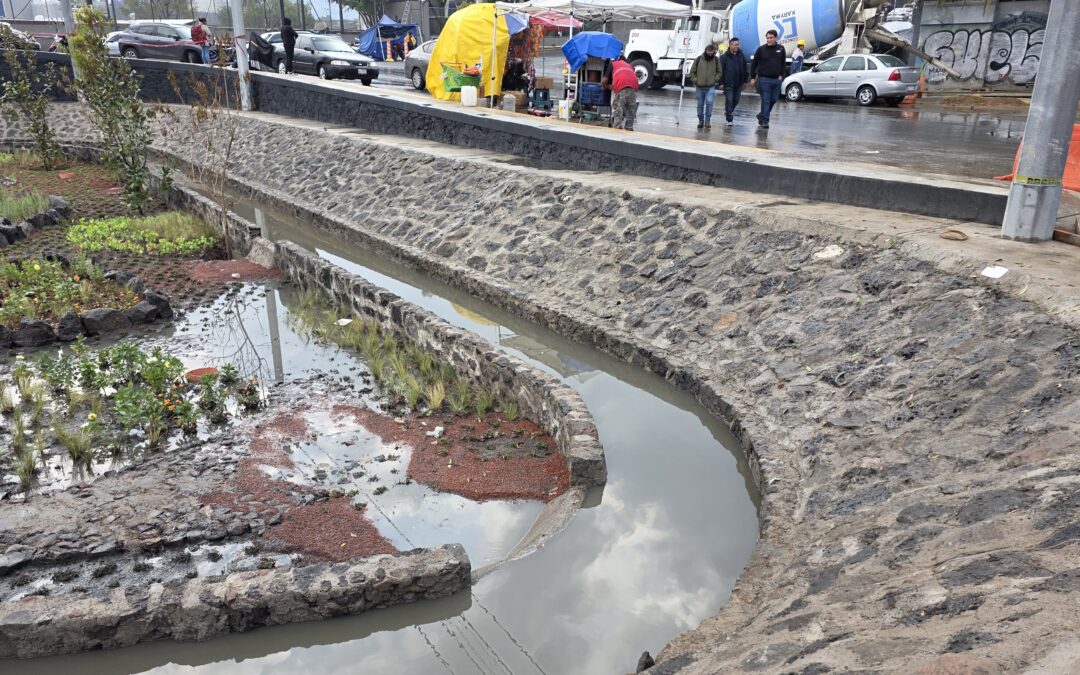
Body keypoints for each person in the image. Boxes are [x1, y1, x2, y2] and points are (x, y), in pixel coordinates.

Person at [749, 29, 787, 129]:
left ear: (776, 38)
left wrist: (781, 75)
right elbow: (754, 64)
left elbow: (783, 63)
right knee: (766, 100)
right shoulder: (761, 49)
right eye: (768, 38)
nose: (769, 40)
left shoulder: (781, 49)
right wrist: (752, 78)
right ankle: (765, 120)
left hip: (776, 80)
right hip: (764, 79)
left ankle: (761, 115)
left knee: (773, 99)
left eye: (771, 38)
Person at [688, 43, 721, 130]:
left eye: (712, 52)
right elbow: (692, 72)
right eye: (708, 52)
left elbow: (719, 72)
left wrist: (715, 79)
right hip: (699, 86)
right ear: (705, 51)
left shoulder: (716, 60)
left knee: (709, 103)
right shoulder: (699, 59)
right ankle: (701, 121)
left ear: (714, 52)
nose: (710, 54)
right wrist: (696, 80)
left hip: (710, 86)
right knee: (700, 104)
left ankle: (707, 121)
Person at [718, 37, 749, 127]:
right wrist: (721, 83)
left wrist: (745, 81)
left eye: (738, 44)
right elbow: (720, 70)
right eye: (735, 45)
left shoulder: (741, 56)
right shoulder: (724, 57)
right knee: (729, 100)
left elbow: (745, 68)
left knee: (736, 100)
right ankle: (729, 119)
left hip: (738, 83)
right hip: (728, 84)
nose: (737, 46)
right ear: (730, 45)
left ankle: (728, 111)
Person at [603, 56, 639, 131]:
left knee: (618, 109)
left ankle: (617, 128)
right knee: (630, 111)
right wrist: (614, 86)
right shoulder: (629, 66)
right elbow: (626, 78)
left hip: (622, 87)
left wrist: (604, 87)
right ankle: (629, 128)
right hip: (633, 88)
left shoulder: (613, 64)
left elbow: (604, 80)